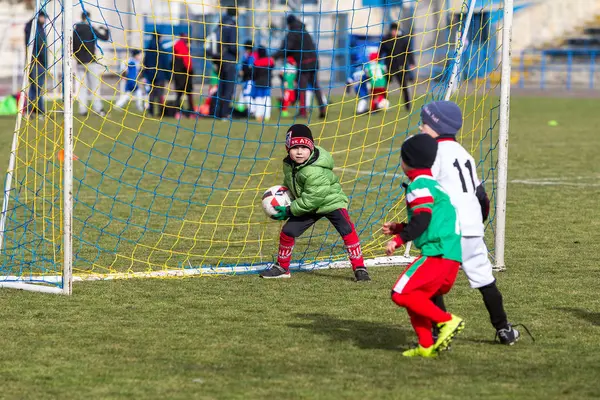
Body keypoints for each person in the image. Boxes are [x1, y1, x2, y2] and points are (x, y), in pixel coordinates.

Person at [419, 100, 520, 345]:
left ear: (436, 125)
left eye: (424, 123)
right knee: (485, 280)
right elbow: (481, 195)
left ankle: (438, 332)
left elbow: (426, 189)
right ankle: (504, 329)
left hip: (448, 228)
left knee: (428, 282)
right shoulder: (464, 154)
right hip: (472, 228)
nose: (421, 128)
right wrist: (477, 222)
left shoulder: (432, 152)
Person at [383, 134, 463, 358]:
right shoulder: (434, 185)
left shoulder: (418, 185)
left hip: (437, 253)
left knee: (400, 293)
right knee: (415, 296)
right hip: (451, 254)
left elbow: (423, 218)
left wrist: (399, 240)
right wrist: (400, 227)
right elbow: (431, 219)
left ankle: (448, 321)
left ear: (407, 160)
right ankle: (426, 345)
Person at [259, 124, 371, 282]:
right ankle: (282, 267)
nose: (299, 151)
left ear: (311, 148)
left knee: (346, 229)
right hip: (307, 203)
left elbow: (314, 198)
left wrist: (289, 210)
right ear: (287, 148)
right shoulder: (289, 164)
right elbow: (291, 184)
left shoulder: (314, 170)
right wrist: (284, 195)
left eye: (304, 147)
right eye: (295, 147)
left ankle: (360, 268)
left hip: (330, 201)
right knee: (288, 232)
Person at [273, 15, 327, 119]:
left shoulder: (292, 34)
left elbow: (286, 48)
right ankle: (322, 107)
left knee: (302, 88)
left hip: (304, 63)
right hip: (314, 62)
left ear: (289, 24)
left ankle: (303, 112)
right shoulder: (304, 31)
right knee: (316, 86)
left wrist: (274, 57)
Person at [73, 11, 111, 116]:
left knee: (82, 87)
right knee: (95, 86)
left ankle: (82, 109)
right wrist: (106, 30)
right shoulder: (90, 28)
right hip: (91, 61)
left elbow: (72, 47)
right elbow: (104, 38)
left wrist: (77, 58)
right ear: (88, 18)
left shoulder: (75, 30)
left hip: (80, 62)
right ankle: (97, 108)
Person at [378, 23, 414, 112]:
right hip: (389, 67)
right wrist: (377, 62)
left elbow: (408, 52)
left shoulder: (403, 40)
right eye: (393, 30)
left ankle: (407, 106)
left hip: (401, 67)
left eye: (396, 30)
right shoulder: (386, 39)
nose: (394, 32)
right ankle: (383, 104)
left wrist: (412, 63)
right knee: (384, 87)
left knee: (404, 87)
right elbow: (381, 52)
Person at [212, 7, 238, 119]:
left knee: (221, 86)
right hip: (229, 59)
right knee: (229, 88)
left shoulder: (220, 23)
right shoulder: (232, 25)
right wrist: (237, 53)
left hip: (219, 60)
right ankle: (225, 113)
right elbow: (232, 44)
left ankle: (217, 112)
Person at [24, 10, 47, 118]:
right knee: (37, 87)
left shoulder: (36, 28)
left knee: (35, 87)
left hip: (35, 62)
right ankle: (38, 110)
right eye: (43, 17)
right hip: (37, 62)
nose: (44, 20)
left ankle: (32, 111)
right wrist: (44, 62)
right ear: (39, 17)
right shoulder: (35, 28)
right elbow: (40, 47)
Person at [143, 31, 171, 117]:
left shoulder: (148, 50)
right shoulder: (161, 50)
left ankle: (151, 112)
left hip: (151, 76)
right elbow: (165, 64)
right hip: (160, 75)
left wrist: (145, 75)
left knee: (151, 94)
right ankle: (160, 112)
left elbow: (145, 63)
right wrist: (169, 76)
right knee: (159, 94)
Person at [173, 33, 195, 116]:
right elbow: (187, 62)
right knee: (188, 94)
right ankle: (191, 112)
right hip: (185, 75)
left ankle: (177, 112)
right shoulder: (183, 48)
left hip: (178, 75)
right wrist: (191, 71)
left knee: (179, 94)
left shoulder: (177, 48)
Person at [250, 47, 274, 122]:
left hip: (258, 83)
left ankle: (258, 116)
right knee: (267, 99)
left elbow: (254, 74)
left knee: (258, 100)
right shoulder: (270, 61)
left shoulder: (257, 62)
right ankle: (267, 116)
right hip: (267, 83)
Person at [235, 40, 256, 114]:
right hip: (245, 79)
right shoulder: (245, 56)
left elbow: (251, 68)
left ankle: (253, 110)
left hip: (250, 79)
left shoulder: (252, 56)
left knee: (247, 94)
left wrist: (243, 71)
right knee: (242, 94)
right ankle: (239, 109)